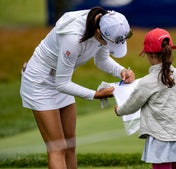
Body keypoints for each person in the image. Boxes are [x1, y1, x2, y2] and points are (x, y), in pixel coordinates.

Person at [20, 7, 135, 169]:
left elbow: (101, 60)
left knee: (70, 145)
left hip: (61, 78)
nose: (105, 46)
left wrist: (122, 71)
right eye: (105, 42)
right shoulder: (72, 39)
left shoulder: (103, 25)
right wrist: (95, 95)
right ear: (98, 32)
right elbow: (62, 83)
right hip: (39, 82)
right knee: (57, 147)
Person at [114, 28, 176, 169]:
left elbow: (133, 104)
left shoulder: (148, 82)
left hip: (159, 136)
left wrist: (119, 110)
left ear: (149, 55)